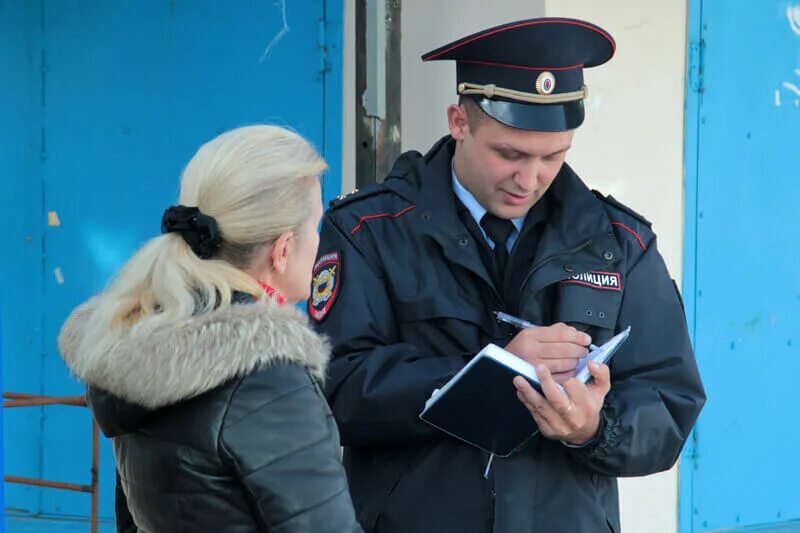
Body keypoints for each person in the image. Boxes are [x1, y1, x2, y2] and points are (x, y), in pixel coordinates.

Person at [309, 17, 706, 533]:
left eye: (553, 157)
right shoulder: (370, 230)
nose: (530, 178)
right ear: (458, 122)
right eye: (509, 154)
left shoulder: (618, 244)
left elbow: (671, 403)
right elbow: (335, 389)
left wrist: (592, 428)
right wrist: (485, 371)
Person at [58, 125, 362, 532]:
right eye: (316, 225)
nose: (321, 242)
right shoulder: (269, 381)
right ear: (283, 249)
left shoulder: (142, 345)